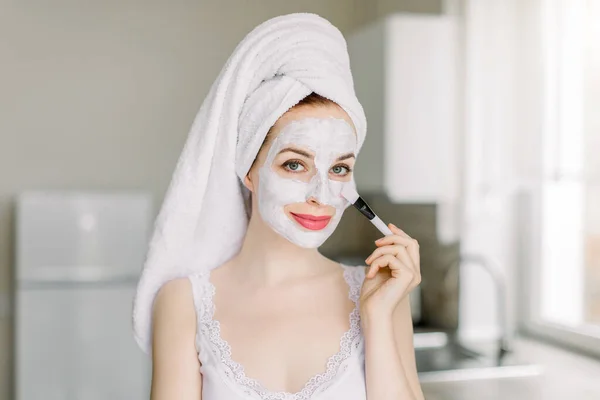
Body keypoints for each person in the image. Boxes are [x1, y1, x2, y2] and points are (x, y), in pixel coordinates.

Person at [132, 13, 424, 400]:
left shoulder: (381, 295)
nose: (321, 195)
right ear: (248, 169)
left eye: (339, 168)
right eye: (295, 164)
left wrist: (377, 318)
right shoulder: (183, 303)